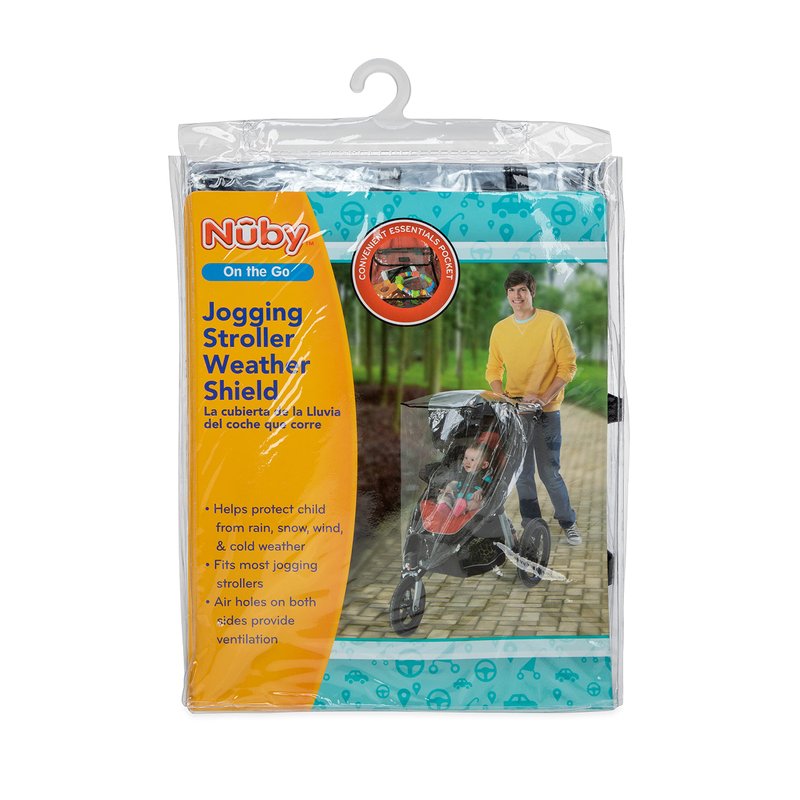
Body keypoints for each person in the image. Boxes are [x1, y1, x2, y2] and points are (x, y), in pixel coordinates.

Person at [485, 269, 581, 545]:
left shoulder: (553, 323)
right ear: (507, 295)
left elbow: (568, 366)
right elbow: (493, 369)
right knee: (522, 474)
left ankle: (568, 522)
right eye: (512, 291)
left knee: (549, 472)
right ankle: (532, 524)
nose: (517, 296)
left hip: (546, 412)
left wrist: (544, 398)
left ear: (532, 293)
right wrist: (501, 396)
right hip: (515, 413)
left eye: (522, 290)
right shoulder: (500, 329)